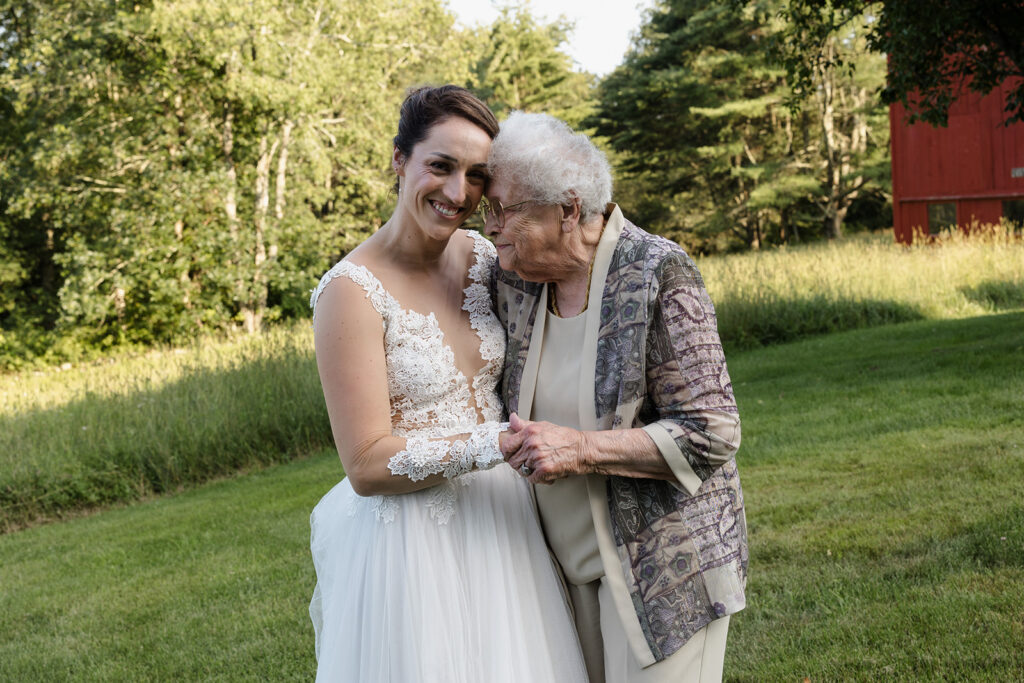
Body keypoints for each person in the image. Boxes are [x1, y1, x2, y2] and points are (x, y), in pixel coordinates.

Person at [307, 87, 587, 682]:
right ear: (399, 159)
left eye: (477, 175)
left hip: (505, 520)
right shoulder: (350, 292)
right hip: (411, 547)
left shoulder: (485, 258)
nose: (458, 193)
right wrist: (494, 446)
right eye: (440, 166)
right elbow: (363, 463)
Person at [485, 111, 747, 683]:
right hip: (558, 574)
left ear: (568, 209)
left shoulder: (659, 270)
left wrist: (580, 448)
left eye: (503, 209)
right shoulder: (515, 280)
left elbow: (712, 430)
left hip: (663, 571)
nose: (490, 226)